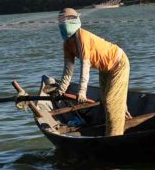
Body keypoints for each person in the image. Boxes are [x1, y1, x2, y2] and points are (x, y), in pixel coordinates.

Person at [54, 8, 131, 136]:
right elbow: (68, 70)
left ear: (75, 21)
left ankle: (114, 136)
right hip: (104, 68)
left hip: (118, 63)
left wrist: (82, 92)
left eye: (68, 20)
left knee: (111, 101)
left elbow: (85, 65)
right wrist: (61, 89)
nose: (64, 23)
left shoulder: (82, 36)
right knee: (104, 101)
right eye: (62, 20)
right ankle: (124, 117)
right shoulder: (67, 44)